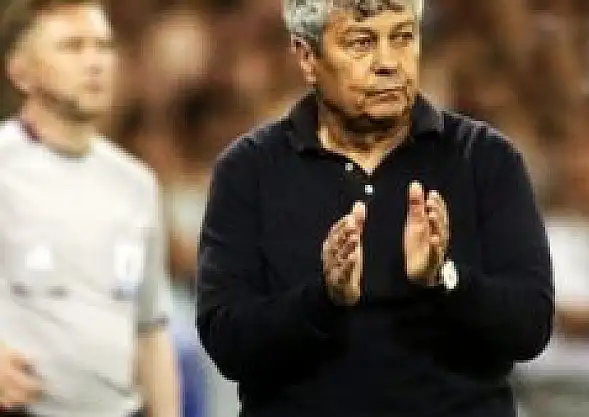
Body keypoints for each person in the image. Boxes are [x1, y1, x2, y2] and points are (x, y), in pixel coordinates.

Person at [196, 1, 554, 416]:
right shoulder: (249, 170)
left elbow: (530, 327)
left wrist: (443, 277)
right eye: (362, 43)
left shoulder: (485, 159)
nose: (388, 63)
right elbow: (227, 341)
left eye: (402, 37)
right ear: (307, 57)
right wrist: (324, 299)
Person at [0, 1, 180, 416]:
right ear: (21, 71)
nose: (95, 62)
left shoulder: (136, 184)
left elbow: (150, 329)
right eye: (72, 46)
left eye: (104, 46)